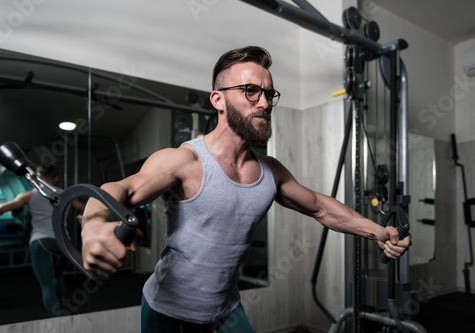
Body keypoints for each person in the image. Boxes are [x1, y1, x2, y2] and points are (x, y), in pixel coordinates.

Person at [81, 46, 412, 332]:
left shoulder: (271, 172)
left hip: (226, 310)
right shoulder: (185, 161)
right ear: (218, 100)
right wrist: (94, 225)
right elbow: (121, 188)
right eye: (251, 90)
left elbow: (319, 207)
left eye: (269, 94)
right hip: (167, 309)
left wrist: (377, 231)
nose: (264, 103)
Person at [0, 165, 84, 317]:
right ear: (55, 178)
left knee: (47, 286)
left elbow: (0, 209)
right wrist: (84, 218)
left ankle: (58, 321)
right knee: (57, 276)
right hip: (64, 244)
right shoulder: (65, 194)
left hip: (42, 243)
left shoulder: (30, 194)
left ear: (37, 179)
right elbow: (85, 208)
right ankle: (63, 309)